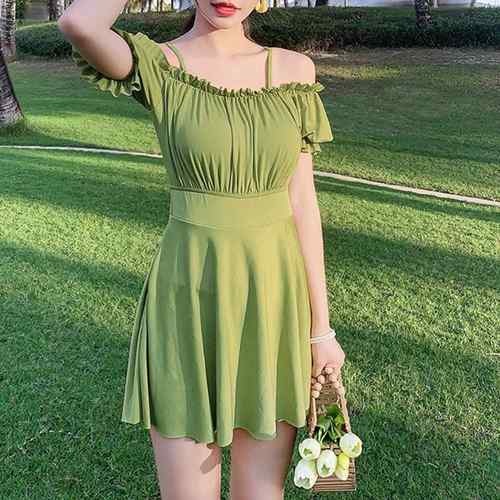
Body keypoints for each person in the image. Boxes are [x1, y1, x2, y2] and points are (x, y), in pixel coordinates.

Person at [59, 0, 346, 498]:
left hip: (272, 303)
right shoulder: (162, 65)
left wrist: (321, 331)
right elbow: (79, 23)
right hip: (185, 301)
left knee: (261, 493)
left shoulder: (294, 71)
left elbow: (302, 202)